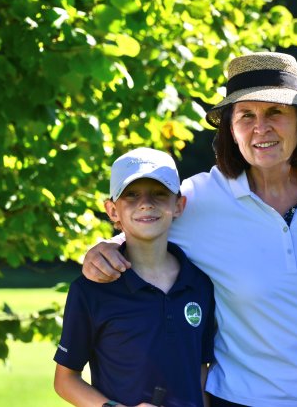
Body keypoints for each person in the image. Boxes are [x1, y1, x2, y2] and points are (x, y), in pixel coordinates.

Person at [82, 52, 297, 406]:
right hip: (245, 397)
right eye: (246, 116)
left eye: (275, 112)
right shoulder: (200, 197)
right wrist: (102, 248)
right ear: (231, 129)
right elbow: (139, 229)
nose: (261, 128)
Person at [53, 148, 215, 407]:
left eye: (159, 193)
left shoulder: (200, 284)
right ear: (112, 210)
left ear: (179, 205)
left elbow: (199, 370)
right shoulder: (91, 290)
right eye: (131, 194)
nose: (146, 203)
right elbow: (65, 380)